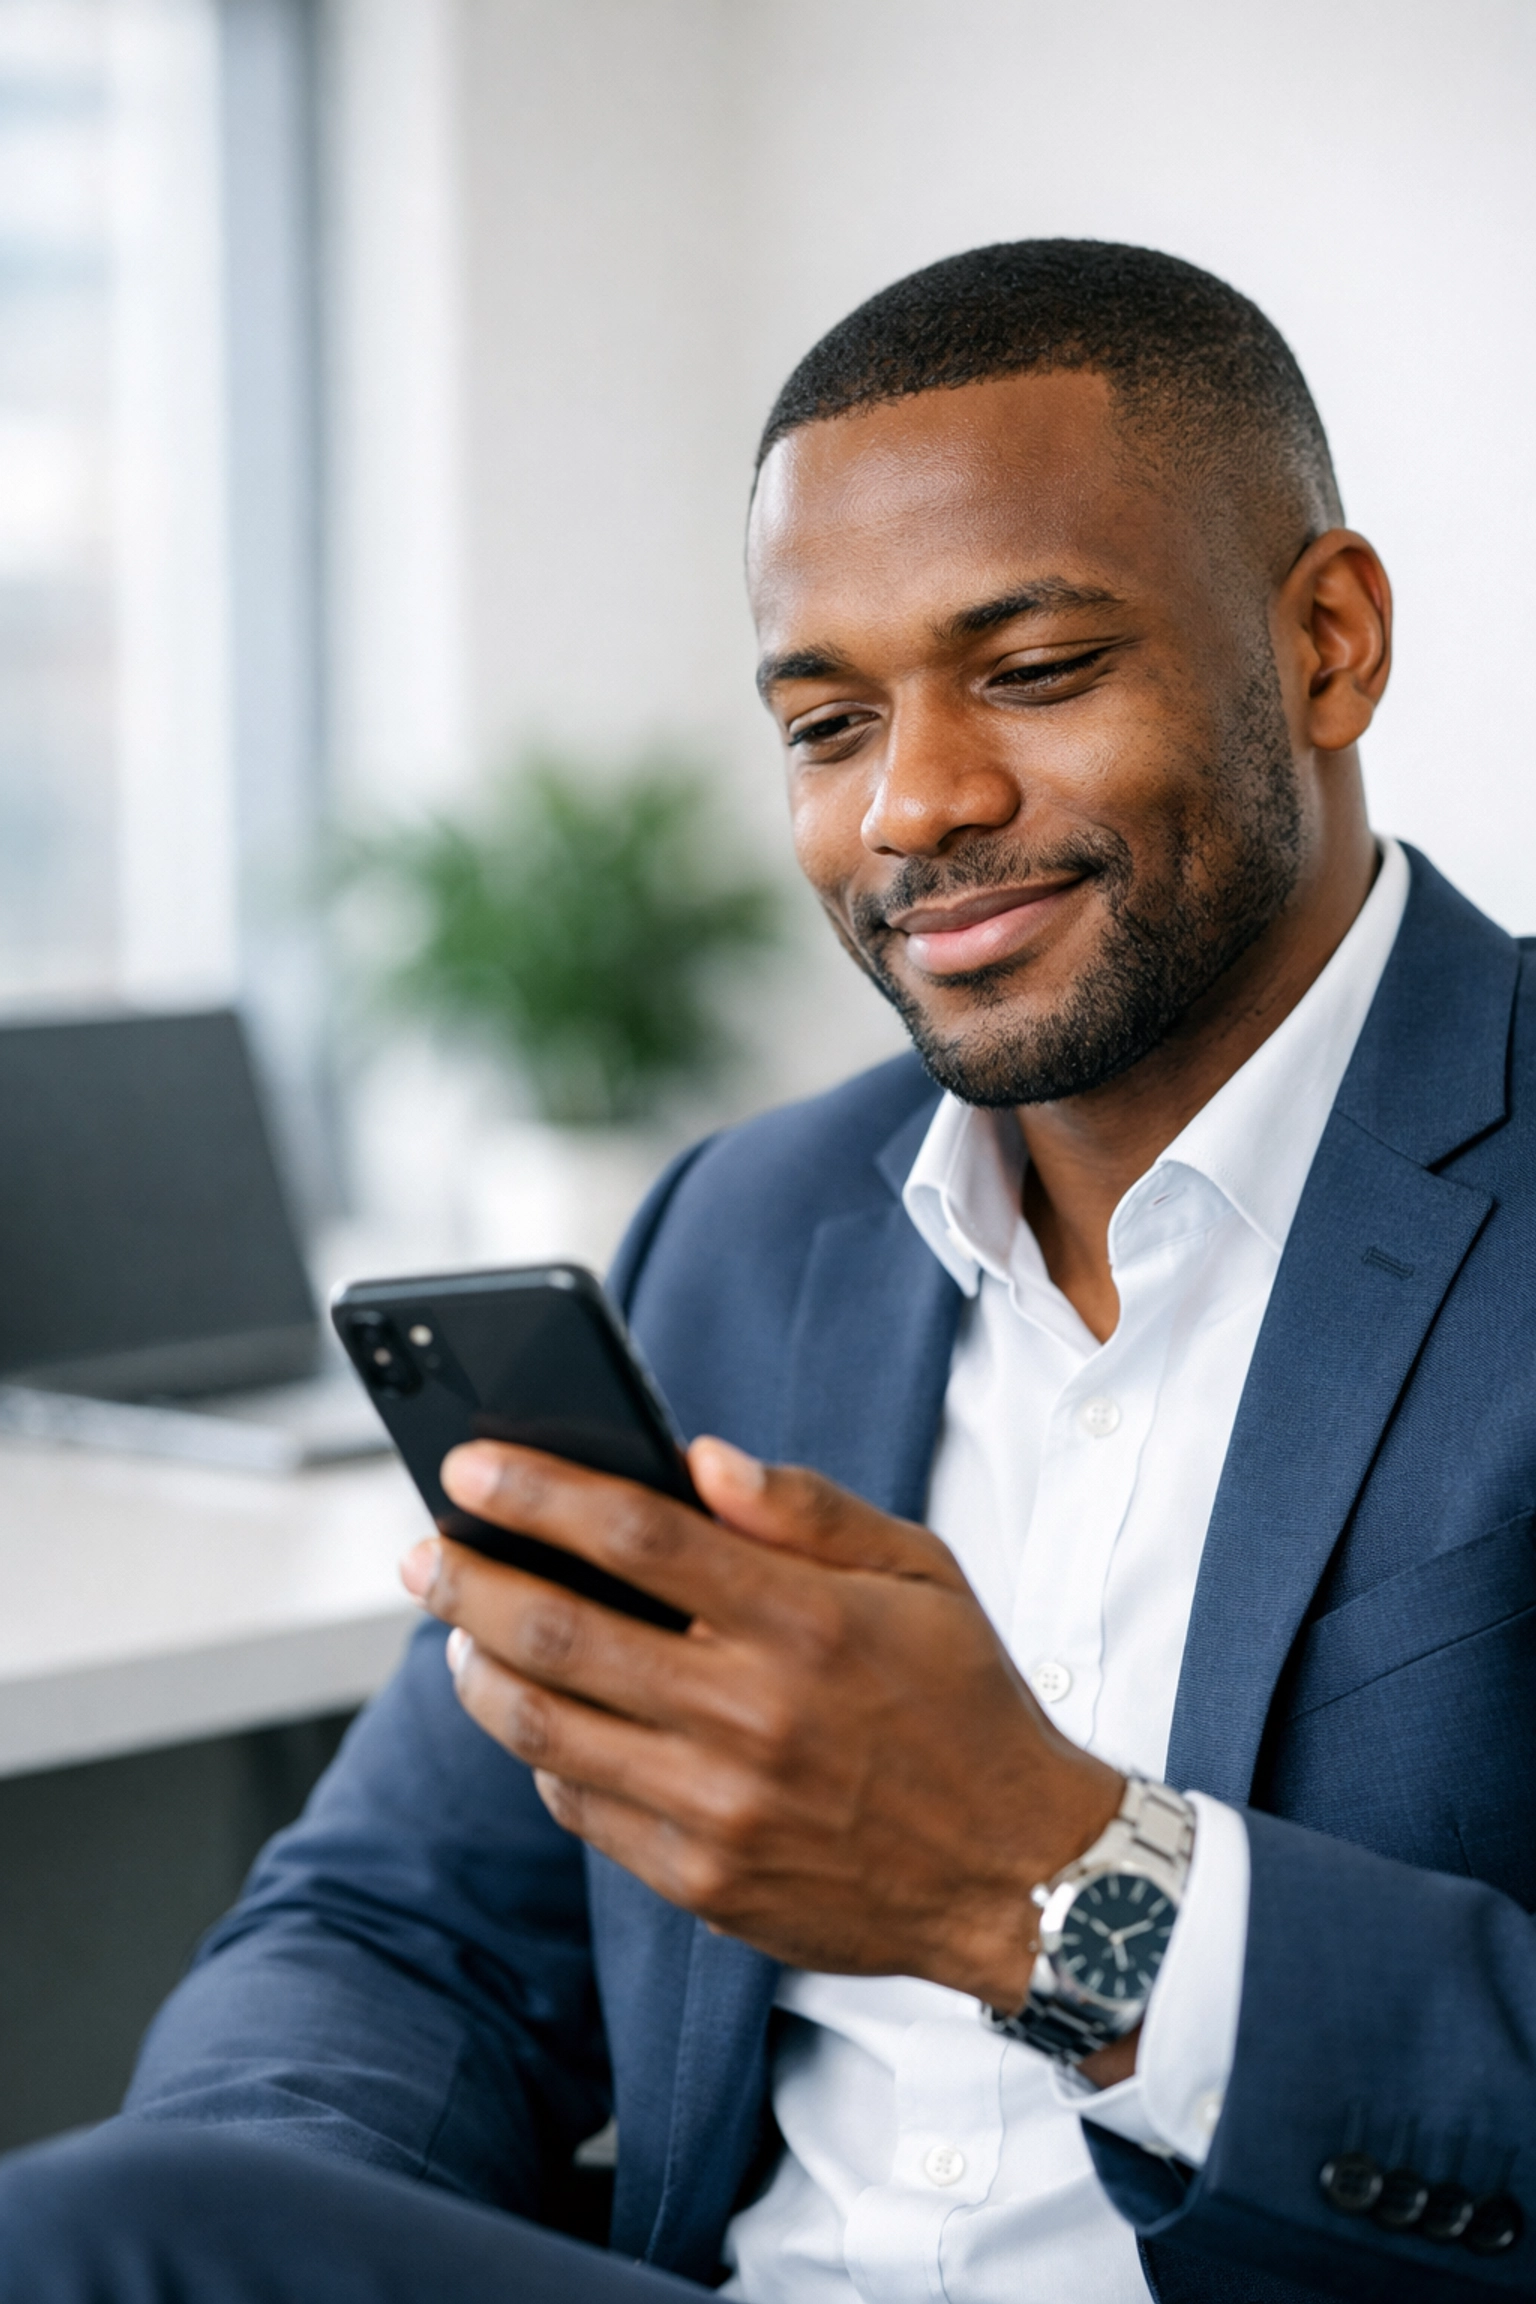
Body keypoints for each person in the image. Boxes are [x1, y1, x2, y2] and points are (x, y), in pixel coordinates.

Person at [2, 240, 1532, 2304]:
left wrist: (1046, 1889)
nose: (917, 805)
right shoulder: (742, 1234)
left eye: (1036, 670)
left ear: (1328, 643)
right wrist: (277, 2229)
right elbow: (395, 1931)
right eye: (828, 721)